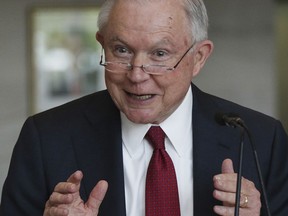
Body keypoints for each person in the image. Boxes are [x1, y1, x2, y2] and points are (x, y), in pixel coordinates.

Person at [1, 0, 287, 215]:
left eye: (160, 54)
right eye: (122, 50)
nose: (136, 75)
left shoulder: (260, 138)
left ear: (198, 58)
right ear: (102, 44)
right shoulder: (46, 137)